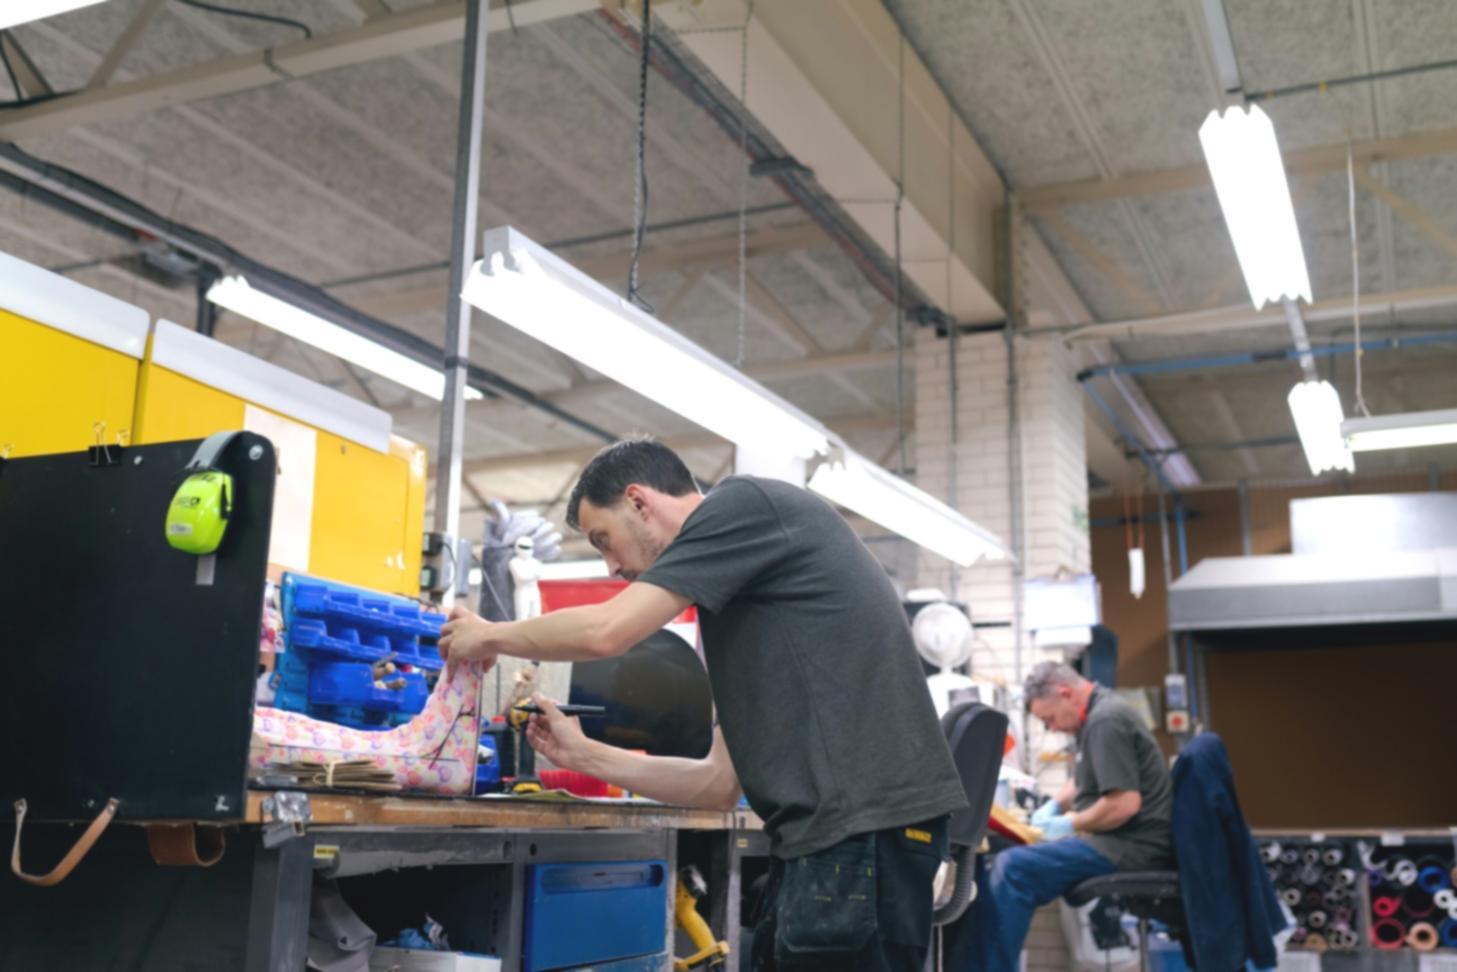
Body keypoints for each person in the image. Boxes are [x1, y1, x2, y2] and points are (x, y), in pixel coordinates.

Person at [439, 437, 968, 971]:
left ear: (640, 502)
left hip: (860, 839)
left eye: (605, 539)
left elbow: (607, 630)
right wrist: (584, 756)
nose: (610, 566)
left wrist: (489, 635)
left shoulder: (742, 506)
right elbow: (716, 784)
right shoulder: (741, 609)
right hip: (834, 843)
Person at [962, 662, 1173, 971]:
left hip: (1132, 845)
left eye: (1049, 719)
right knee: (1002, 859)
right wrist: (1055, 806)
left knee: (1013, 868)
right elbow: (1085, 778)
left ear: (1065, 694)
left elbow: (1124, 804)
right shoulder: (1096, 716)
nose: (1052, 728)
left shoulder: (1107, 720)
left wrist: (1069, 823)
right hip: (1118, 840)